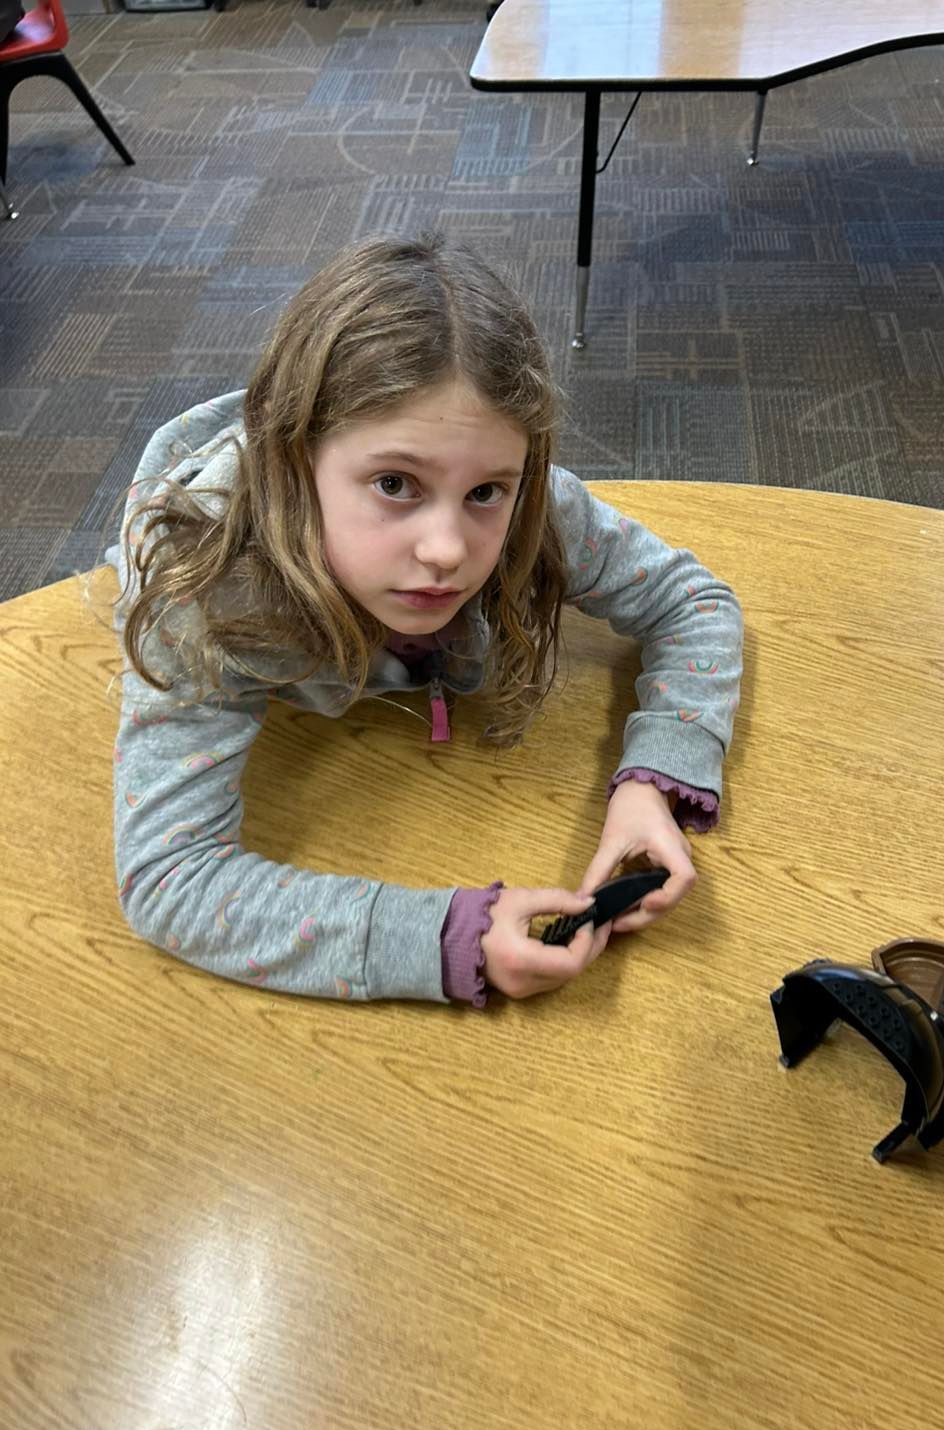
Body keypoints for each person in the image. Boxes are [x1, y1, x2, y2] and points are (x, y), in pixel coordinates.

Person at [107, 233, 742, 1008]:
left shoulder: (534, 508)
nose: (447, 550)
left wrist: (652, 782)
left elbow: (693, 600)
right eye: (394, 484)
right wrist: (442, 938)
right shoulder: (200, 598)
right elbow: (169, 878)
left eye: (485, 492)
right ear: (295, 467)